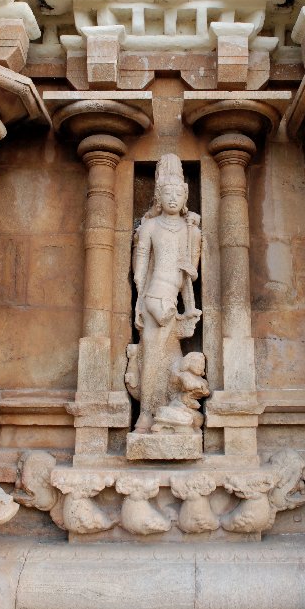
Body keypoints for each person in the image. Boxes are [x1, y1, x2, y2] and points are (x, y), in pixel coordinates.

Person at [131, 154, 201, 433]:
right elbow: (140, 269)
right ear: (159, 197)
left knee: (171, 358)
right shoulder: (150, 226)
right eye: (167, 193)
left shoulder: (190, 231)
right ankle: (145, 413)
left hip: (174, 300)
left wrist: (190, 271)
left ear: (185, 197)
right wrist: (139, 301)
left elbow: (191, 275)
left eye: (178, 194)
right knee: (151, 355)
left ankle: (168, 408)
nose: (173, 199)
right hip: (154, 297)